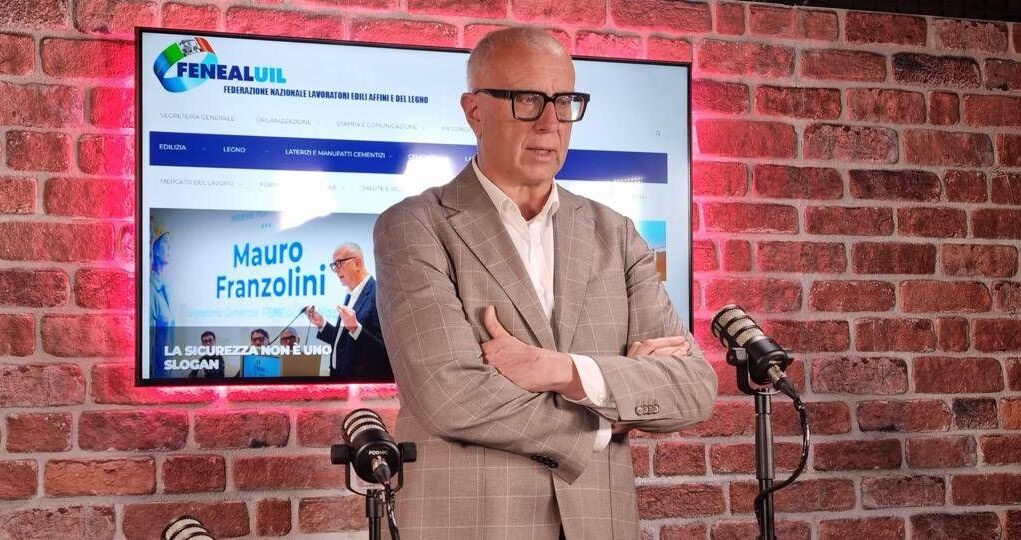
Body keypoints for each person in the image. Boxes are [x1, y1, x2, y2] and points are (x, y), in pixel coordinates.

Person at [372, 27, 717, 540]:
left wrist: (559, 370)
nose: (550, 123)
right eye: (527, 99)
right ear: (474, 111)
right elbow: (450, 394)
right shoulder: (415, 225)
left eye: (564, 102)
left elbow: (693, 388)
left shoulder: (617, 233)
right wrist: (608, 413)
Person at [305, 243, 392, 381]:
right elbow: (344, 343)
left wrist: (356, 329)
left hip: (362, 386)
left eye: (339, 263)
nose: (336, 270)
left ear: (357, 263)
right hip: (339, 381)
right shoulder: (350, 295)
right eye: (334, 265)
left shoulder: (378, 294)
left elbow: (385, 351)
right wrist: (322, 324)